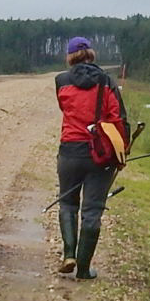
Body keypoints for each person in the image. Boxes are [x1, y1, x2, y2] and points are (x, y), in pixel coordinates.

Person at [54, 36, 128, 280]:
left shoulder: (61, 81)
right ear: (92, 54)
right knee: (92, 210)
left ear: (70, 56)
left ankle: (68, 255)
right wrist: (121, 151)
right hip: (100, 154)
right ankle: (84, 269)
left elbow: (66, 109)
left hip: (69, 151)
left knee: (67, 203)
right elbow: (117, 119)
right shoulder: (107, 82)